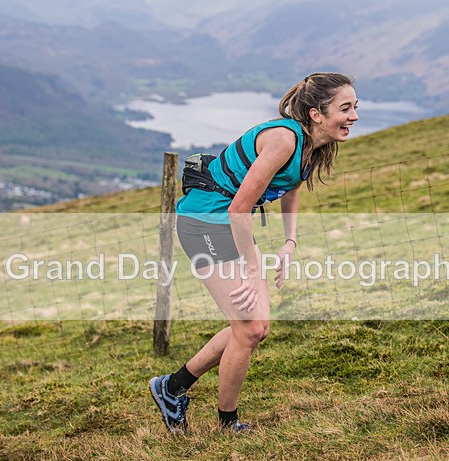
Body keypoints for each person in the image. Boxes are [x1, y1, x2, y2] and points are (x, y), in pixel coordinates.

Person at [150, 73, 359, 434]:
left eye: (355, 107)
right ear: (316, 113)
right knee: (247, 330)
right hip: (205, 224)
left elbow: (291, 184)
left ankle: (172, 387)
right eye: (345, 108)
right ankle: (226, 422)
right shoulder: (283, 139)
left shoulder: (311, 145)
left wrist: (289, 241)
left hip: (227, 225)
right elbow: (238, 209)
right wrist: (251, 267)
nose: (354, 115)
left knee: (255, 329)